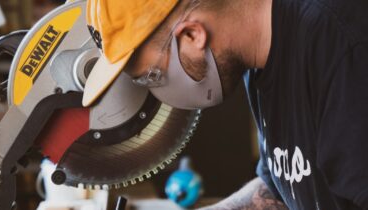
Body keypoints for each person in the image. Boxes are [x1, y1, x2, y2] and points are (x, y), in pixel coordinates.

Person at [83, 0, 368, 209]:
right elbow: (282, 185)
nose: (154, 90)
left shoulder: (343, 49)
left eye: (151, 77)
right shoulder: (255, 58)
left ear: (193, 35)